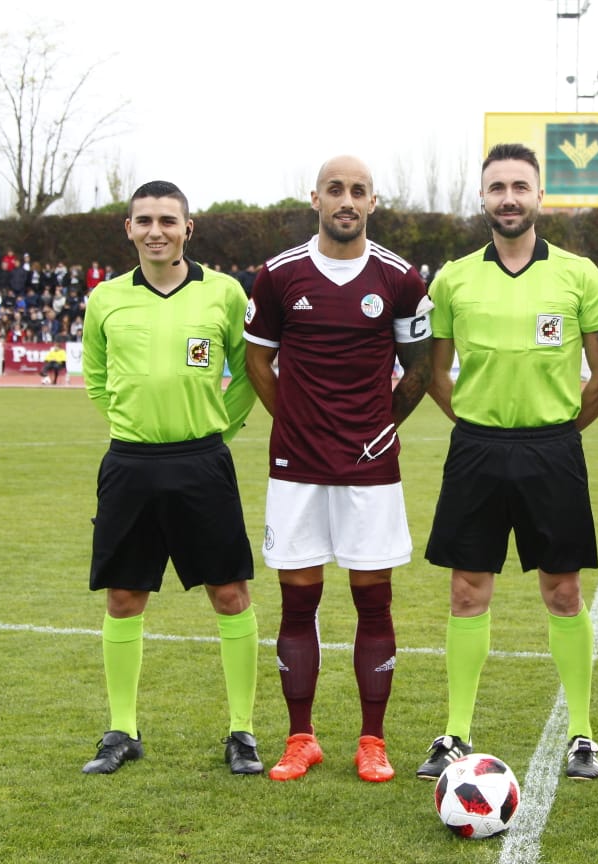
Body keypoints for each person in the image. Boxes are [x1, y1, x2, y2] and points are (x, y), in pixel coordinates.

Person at [416, 143, 598, 782]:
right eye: (497, 186)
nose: (509, 197)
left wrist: (564, 427)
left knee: (562, 590)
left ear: (538, 197)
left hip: (553, 451)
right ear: (483, 197)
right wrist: (476, 422)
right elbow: (435, 371)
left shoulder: (580, 275)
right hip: (476, 450)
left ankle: (582, 733)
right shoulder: (452, 278)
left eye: (520, 186)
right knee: (467, 589)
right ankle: (455, 732)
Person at [243, 155, 433, 784]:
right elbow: (258, 365)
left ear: (372, 203)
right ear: (316, 200)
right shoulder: (277, 276)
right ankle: (301, 739)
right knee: (298, 604)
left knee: (371, 603)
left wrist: (380, 431)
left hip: (370, 470)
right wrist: (296, 423)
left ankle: (371, 742)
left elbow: (421, 368)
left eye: (358, 191)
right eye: (335, 190)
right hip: (296, 467)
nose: (346, 200)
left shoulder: (402, 278)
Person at [80, 180, 262, 776]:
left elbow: (247, 373)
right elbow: (97, 376)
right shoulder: (105, 299)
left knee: (230, 593)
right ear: (127, 229)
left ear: (189, 228)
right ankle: (122, 730)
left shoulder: (226, 294)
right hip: (129, 463)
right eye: (144, 220)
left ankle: (241, 732)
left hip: (203, 462)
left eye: (167, 219)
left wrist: (217, 429)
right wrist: (132, 424)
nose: (155, 230)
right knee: (125, 596)